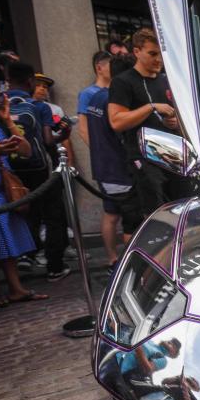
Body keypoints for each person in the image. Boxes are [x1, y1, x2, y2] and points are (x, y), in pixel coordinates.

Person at [108, 27, 188, 218]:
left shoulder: (166, 81)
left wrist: (174, 122)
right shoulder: (123, 81)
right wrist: (150, 107)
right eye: (152, 53)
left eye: (161, 54)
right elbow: (116, 121)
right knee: (156, 214)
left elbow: (179, 117)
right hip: (144, 156)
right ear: (136, 51)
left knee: (184, 207)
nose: (158, 59)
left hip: (172, 153)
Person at [5, 62, 71, 282]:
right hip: (42, 170)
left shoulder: (0, 103)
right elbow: (47, 141)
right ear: (30, 81)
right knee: (53, 215)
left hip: (10, 172)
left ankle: (25, 256)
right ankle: (55, 266)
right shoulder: (39, 106)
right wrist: (64, 133)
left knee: (21, 213)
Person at [0, 75, 47, 305]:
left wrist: (8, 121)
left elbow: (26, 151)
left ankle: (16, 288)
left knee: (6, 239)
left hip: (1, 187)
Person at [86, 56, 140, 268]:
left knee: (110, 215)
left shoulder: (96, 97)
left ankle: (112, 258)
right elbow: (119, 132)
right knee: (130, 220)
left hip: (104, 167)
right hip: (118, 168)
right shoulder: (112, 99)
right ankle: (129, 266)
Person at [77, 51, 112, 145]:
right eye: (111, 65)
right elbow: (83, 129)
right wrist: (98, 151)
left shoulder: (116, 90)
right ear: (99, 68)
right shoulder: (87, 94)